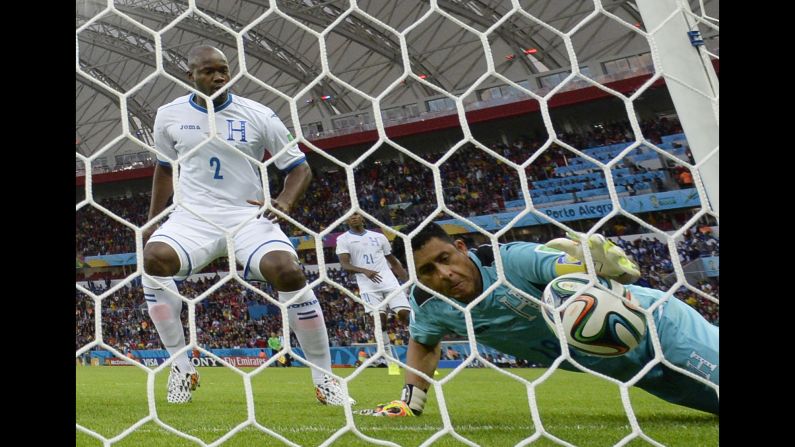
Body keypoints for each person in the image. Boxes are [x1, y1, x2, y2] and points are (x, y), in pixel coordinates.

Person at [141, 45, 353, 406]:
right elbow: (165, 168)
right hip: (193, 217)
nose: (220, 76)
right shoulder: (168, 115)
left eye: (224, 70)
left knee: (288, 272)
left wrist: (284, 202)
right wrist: (152, 218)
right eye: (209, 71)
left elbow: (299, 167)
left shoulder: (259, 115)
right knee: (154, 258)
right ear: (189, 75)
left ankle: (325, 378)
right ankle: (181, 367)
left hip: (248, 216)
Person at [362, 223, 718, 416]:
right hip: (628, 370)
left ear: (461, 249)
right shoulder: (429, 303)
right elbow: (423, 341)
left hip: (659, 329)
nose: (445, 274)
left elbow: (565, 265)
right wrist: (413, 400)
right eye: (428, 270)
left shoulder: (510, 261)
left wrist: (594, 264)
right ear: (418, 278)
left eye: (446, 258)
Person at [335, 212, 410, 371]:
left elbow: (393, 261)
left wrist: (407, 280)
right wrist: (364, 271)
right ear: (347, 220)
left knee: (406, 316)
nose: (353, 217)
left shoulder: (379, 236)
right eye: (350, 216)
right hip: (368, 287)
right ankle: (391, 362)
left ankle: (418, 359)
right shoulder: (343, 239)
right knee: (380, 322)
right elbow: (345, 264)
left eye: (356, 215)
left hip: (390, 283)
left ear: (362, 217)